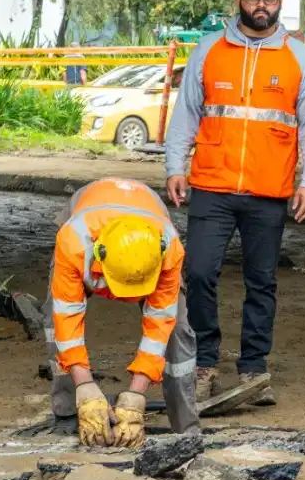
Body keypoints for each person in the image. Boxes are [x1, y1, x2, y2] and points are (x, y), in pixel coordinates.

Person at [164, 0, 305, 406]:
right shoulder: (210, 50)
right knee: (197, 273)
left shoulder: (299, 59)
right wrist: (175, 167)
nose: (262, 6)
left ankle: (255, 370)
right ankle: (204, 363)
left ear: (280, 3)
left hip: (268, 191)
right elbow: (187, 113)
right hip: (212, 185)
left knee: (262, 282)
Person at [44, 177, 196, 449]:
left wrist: (136, 395)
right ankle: (68, 412)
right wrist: (85, 386)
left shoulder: (169, 250)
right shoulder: (73, 241)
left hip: (146, 206)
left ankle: (185, 428)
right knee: (54, 320)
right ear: (99, 257)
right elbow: (67, 321)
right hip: (90, 203)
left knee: (178, 330)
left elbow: (159, 325)